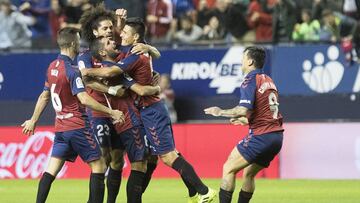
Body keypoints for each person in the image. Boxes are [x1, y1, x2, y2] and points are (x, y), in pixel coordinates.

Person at [82, 17, 217, 203]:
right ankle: (194, 192)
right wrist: (151, 51)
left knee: (166, 157)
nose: (119, 35)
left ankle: (204, 192)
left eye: (124, 33)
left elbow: (136, 86)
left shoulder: (134, 55)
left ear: (135, 37)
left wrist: (86, 73)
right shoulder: (130, 53)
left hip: (150, 110)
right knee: (154, 158)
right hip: (142, 112)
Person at [21, 27, 125, 203]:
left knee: (50, 171)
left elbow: (44, 95)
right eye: (78, 40)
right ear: (71, 44)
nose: (80, 43)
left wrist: (33, 120)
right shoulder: (72, 70)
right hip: (78, 126)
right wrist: (111, 111)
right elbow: (84, 99)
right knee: (99, 165)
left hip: (60, 129)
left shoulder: (52, 66)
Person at [78, 5, 161, 203]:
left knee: (117, 160)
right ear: (95, 32)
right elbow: (87, 80)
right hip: (99, 112)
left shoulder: (118, 51)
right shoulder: (86, 55)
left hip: (121, 111)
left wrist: (149, 74)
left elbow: (138, 64)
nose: (109, 31)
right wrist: (111, 90)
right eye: (105, 28)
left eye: (110, 28)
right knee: (103, 158)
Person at [204, 46, 284, 203]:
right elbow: (264, 112)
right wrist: (246, 121)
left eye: (243, 58)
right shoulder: (269, 80)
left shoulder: (250, 80)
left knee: (228, 168)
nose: (241, 61)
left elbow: (242, 109)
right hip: (277, 137)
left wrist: (220, 112)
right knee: (249, 173)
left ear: (250, 61)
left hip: (261, 136)